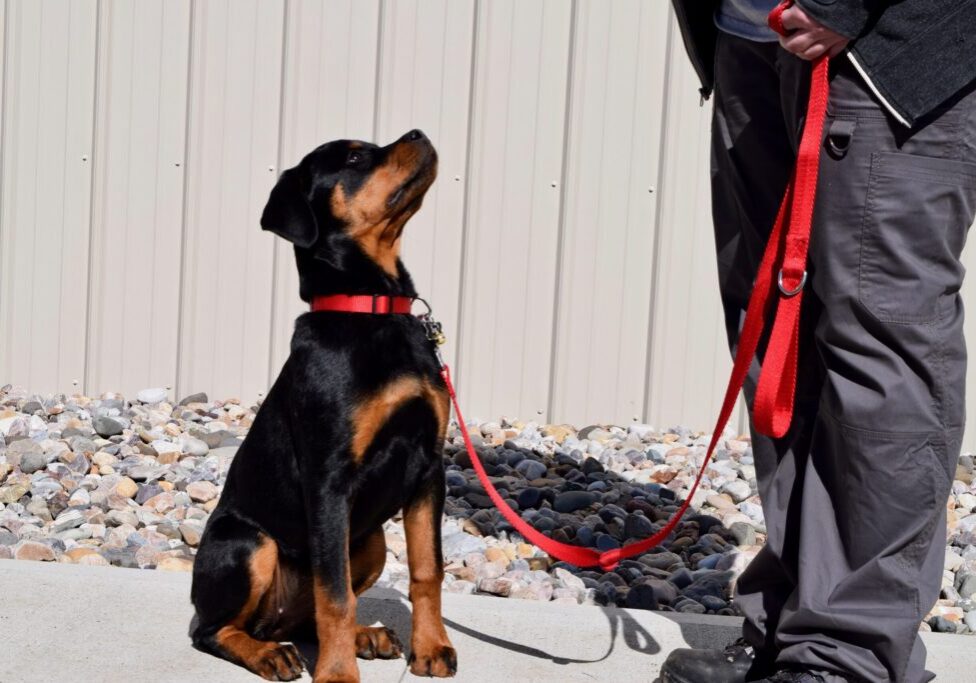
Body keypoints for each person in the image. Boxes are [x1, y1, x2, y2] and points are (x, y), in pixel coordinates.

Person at [660, 1, 976, 682]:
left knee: (878, 344)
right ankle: (793, 624)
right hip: (749, 33)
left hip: (882, 40)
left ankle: (851, 653)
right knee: (778, 336)